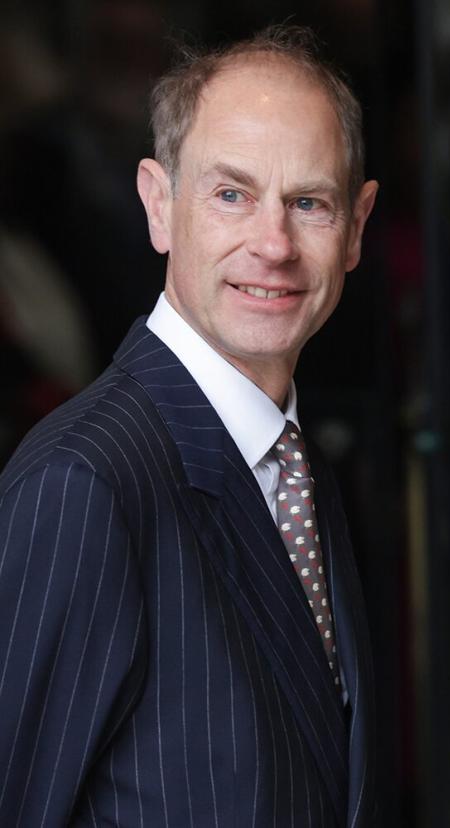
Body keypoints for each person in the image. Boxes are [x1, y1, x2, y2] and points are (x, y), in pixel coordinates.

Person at [0, 24, 380, 825]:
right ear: (159, 205)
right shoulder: (86, 485)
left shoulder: (296, 468)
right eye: (231, 194)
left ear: (356, 227)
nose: (272, 245)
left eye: (308, 202)